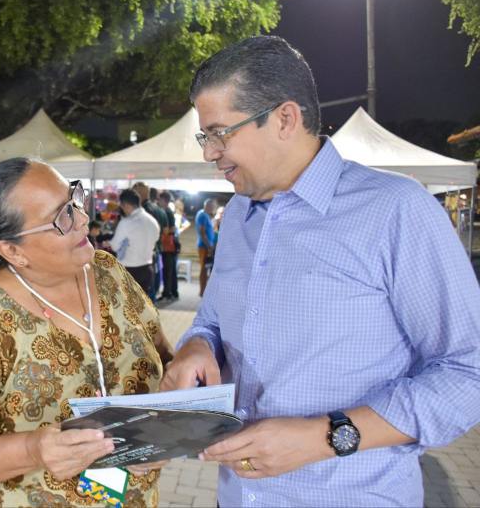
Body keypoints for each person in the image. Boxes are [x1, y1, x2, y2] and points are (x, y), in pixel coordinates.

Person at [161, 35, 480, 507]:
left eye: (220, 132)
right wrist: (194, 346)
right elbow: (211, 319)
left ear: (285, 118)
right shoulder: (238, 219)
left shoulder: (394, 210)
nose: (210, 152)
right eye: (204, 137)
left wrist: (325, 436)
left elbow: (466, 374)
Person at [0, 158, 173, 507]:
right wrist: (34, 449)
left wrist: (164, 431)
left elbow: (164, 358)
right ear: (13, 251)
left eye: (75, 200)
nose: (84, 219)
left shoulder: (107, 272)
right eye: (62, 217)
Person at [109, 188, 161, 295]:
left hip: (129, 270)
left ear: (126, 205)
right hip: (147, 269)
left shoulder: (126, 222)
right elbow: (155, 239)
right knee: (142, 309)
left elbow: (114, 246)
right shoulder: (153, 221)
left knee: (127, 308)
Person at [132, 182, 167, 300]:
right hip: (155, 250)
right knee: (152, 285)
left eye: (134, 192)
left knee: (143, 289)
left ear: (141, 193)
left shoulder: (143, 211)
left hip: (144, 253)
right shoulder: (160, 210)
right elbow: (166, 231)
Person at [157, 190, 179, 301]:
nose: (158, 201)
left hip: (168, 246)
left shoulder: (167, 212)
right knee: (170, 269)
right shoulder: (167, 211)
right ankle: (173, 291)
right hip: (170, 246)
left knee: (168, 270)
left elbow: (172, 229)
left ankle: (168, 292)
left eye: (159, 199)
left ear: (164, 200)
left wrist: (163, 232)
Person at [194, 198, 216, 296]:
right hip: (204, 247)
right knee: (204, 269)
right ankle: (202, 291)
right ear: (208, 206)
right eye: (213, 206)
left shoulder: (205, 215)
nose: (213, 208)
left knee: (206, 268)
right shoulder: (202, 215)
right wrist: (209, 246)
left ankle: (204, 291)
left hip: (206, 246)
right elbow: (202, 233)